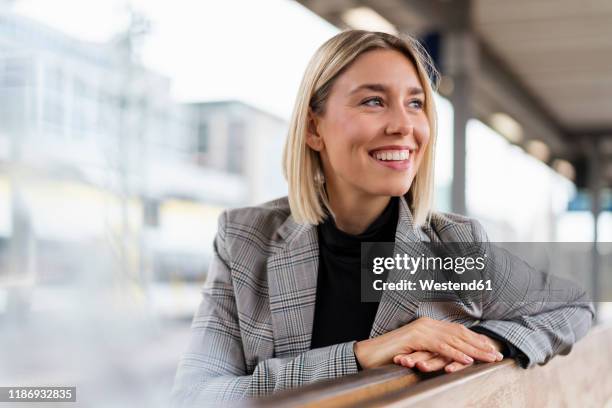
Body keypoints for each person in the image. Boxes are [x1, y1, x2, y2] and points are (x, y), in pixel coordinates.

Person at [170, 30, 594, 406]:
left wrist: (486, 343)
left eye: (415, 103)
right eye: (374, 101)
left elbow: (573, 305)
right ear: (314, 128)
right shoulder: (246, 238)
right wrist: (362, 355)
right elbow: (196, 396)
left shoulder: (451, 245)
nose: (403, 125)